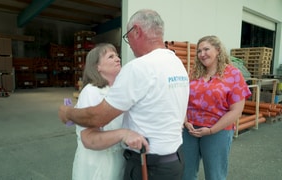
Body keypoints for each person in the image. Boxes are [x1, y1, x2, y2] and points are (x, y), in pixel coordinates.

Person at [59, 9, 189, 180]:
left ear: (137, 31)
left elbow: (97, 118)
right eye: (110, 56)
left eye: (128, 37)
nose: (119, 57)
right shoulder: (176, 63)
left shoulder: (139, 67)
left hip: (148, 165)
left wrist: (68, 113)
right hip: (173, 161)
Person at [182, 35, 252, 180]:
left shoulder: (233, 74)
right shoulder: (194, 72)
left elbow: (236, 110)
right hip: (190, 130)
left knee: (215, 175)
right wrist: (185, 121)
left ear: (218, 50)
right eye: (199, 51)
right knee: (185, 174)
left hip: (217, 131)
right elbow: (183, 100)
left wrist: (211, 130)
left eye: (206, 49)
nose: (202, 54)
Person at [71, 43, 140, 180]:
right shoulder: (91, 92)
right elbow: (89, 138)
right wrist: (123, 134)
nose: (118, 59)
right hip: (97, 163)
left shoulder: (117, 91)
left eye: (117, 55)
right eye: (110, 56)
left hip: (118, 158)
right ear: (97, 67)